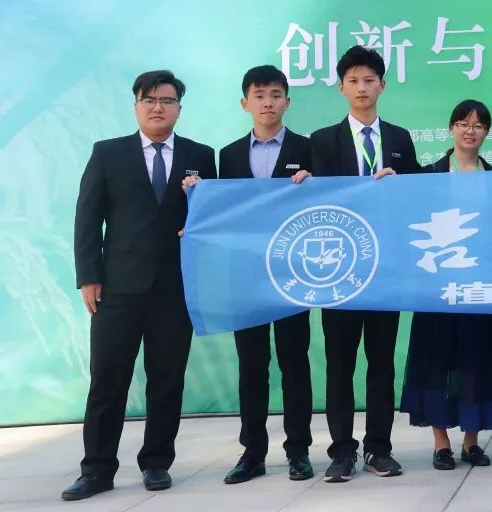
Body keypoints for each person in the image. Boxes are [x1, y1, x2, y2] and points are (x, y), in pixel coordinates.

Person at [63, 71, 217, 501]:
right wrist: (88, 276)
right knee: (107, 381)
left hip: (175, 287)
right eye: (149, 100)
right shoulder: (108, 153)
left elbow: (210, 216)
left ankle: (156, 463)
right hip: (117, 288)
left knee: (167, 380)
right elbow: (87, 217)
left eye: (167, 100)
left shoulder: (200, 156)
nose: (157, 107)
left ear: (179, 108)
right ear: (136, 106)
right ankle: (96, 469)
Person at [303, 45, 419, 481]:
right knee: (340, 363)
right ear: (341, 88)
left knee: (382, 362)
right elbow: (315, 202)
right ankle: (341, 451)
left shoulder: (400, 139)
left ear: (382, 85)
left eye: (369, 80)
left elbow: (417, 198)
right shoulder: (321, 141)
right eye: (353, 80)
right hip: (339, 269)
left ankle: (379, 448)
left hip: (386, 268)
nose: (361, 87)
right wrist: (303, 185)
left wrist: (401, 183)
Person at [399, 100, 492, 470]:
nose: (469, 131)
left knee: (476, 361)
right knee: (436, 361)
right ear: (451, 128)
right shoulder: (427, 176)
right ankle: (441, 443)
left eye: (478, 125)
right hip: (436, 288)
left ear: (487, 132)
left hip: (479, 287)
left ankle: (471, 442)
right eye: (463, 123)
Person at [217, 65, 314, 484]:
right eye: (259, 95)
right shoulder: (228, 155)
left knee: (295, 363)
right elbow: (222, 213)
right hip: (246, 276)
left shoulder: (308, 148)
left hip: (292, 273)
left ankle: (299, 451)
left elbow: (322, 204)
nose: (268, 102)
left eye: (275, 95)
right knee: (252, 366)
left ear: (287, 102)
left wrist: (312, 184)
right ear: (245, 103)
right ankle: (252, 453)